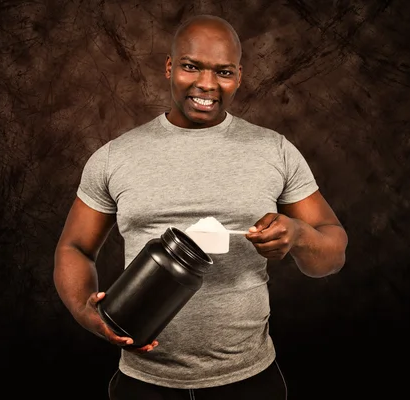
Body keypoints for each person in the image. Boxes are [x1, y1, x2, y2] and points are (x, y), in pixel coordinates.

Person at [53, 14, 348, 400]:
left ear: (239, 76)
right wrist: (84, 312)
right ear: (170, 67)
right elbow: (73, 247)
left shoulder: (274, 151)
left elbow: (332, 252)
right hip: (143, 384)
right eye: (192, 67)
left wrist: (297, 235)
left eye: (223, 72)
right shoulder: (115, 157)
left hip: (248, 380)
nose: (207, 85)